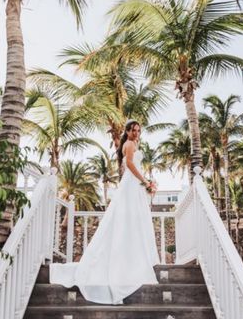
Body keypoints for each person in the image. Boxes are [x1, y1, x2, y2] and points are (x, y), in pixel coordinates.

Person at [49, 120, 160, 304]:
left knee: (132, 220)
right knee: (130, 219)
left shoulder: (132, 143)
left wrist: (144, 183)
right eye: (134, 130)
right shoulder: (130, 144)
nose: (136, 133)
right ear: (128, 131)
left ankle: (132, 257)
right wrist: (145, 181)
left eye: (139, 131)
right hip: (132, 183)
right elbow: (131, 165)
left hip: (132, 185)